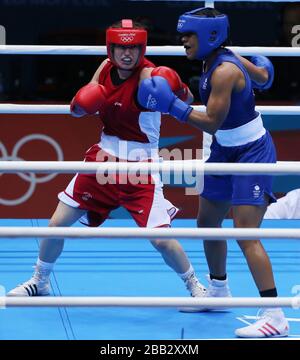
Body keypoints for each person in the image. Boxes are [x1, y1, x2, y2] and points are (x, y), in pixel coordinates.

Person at [7, 19, 206, 300]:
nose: (127, 54)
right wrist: (82, 103)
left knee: (161, 238)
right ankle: (39, 281)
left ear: (142, 48)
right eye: (120, 48)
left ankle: (196, 287)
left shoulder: (151, 76)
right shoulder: (104, 68)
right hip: (102, 160)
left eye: (134, 48)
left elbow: (187, 97)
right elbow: (79, 109)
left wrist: (176, 88)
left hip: (141, 167)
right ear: (110, 49)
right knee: (56, 224)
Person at [138, 7, 289, 338]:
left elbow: (210, 122)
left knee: (245, 233)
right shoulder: (218, 58)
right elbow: (265, 77)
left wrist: (173, 106)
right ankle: (219, 290)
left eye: (188, 35)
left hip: (252, 153)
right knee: (207, 222)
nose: (183, 41)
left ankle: (275, 314)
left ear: (209, 36)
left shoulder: (223, 70)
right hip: (224, 149)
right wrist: (262, 69)